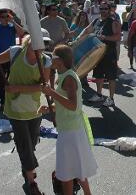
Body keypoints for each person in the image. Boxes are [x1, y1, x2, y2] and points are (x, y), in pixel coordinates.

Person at [0, 30, 52, 195]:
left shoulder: (46, 61)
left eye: (45, 43)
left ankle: (26, 167)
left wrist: (17, 88)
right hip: (15, 109)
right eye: (39, 42)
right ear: (29, 41)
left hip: (34, 109)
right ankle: (31, 182)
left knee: (31, 143)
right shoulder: (15, 51)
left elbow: (44, 87)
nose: (42, 46)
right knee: (24, 144)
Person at [40, 45, 97, 195]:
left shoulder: (69, 78)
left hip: (70, 132)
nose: (51, 60)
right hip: (72, 129)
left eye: (53, 57)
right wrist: (50, 108)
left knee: (66, 174)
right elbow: (65, 103)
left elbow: (72, 105)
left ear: (59, 60)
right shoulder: (66, 75)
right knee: (78, 168)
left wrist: (51, 92)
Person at [79, 2, 121, 106]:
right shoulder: (96, 21)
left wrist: (105, 37)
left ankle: (111, 98)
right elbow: (86, 30)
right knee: (98, 75)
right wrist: (78, 39)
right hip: (97, 54)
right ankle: (99, 95)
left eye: (105, 8)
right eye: (101, 8)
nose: (103, 10)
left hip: (109, 53)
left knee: (111, 77)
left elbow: (118, 37)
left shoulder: (113, 22)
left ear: (109, 9)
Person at [0, 9, 25, 108]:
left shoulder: (12, 27)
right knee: (0, 80)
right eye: (2, 17)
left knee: (13, 79)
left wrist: (13, 21)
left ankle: (12, 99)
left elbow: (22, 33)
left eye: (6, 16)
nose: (5, 19)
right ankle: (3, 100)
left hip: (12, 58)